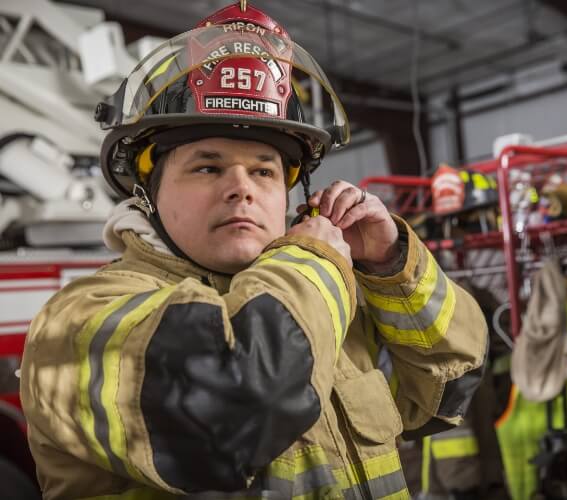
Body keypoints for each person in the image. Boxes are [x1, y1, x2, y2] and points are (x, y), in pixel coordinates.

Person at [19, 2, 488, 498]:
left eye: (264, 171)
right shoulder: (79, 318)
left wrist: (391, 267)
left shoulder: (323, 308)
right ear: (147, 191)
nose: (242, 189)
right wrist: (311, 262)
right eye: (208, 167)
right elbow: (238, 407)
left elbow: (449, 388)